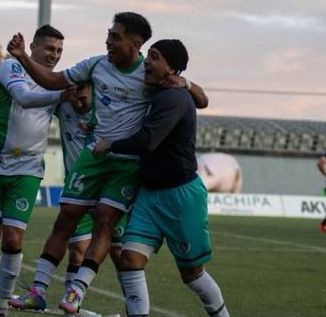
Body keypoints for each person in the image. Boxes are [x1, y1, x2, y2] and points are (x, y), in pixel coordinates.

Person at [8, 12, 209, 314]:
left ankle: (76, 290)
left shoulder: (150, 76)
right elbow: (51, 80)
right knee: (66, 217)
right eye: (109, 34)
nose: (108, 41)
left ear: (135, 44)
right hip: (94, 155)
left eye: (115, 37)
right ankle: (38, 290)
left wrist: (187, 82)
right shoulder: (96, 65)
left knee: (104, 220)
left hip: (127, 163)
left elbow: (202, 100)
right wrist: (23, 57)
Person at [93, 39, 229, 317]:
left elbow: (149, 140)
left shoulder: (174, 98)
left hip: (181, 196)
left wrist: (111, 144)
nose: (147, 62)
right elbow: (203, 99)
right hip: (149, 194)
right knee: (129, 260)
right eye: (148, 56)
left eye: (154, 57)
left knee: (192, 274)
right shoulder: (156, 91)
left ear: (171, 69)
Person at [0, 25, 73, 317]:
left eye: (59, 52)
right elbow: (25, 97)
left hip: (28, 168)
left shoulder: (56, 83)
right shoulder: (11, 66)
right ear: (33, 47)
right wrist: (61, 95)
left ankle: (2, 307)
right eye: (50, 49)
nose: (55, 56)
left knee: (14, 239)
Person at [55, 85, 124, 287]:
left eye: (83, 98)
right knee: (77, 251)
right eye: (74, 98)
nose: (78, 103)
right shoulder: (63, 106)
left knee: (120, 253)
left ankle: (134, 305)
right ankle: (70, 304)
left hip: (108, 190)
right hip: (78, 190)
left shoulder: (107, 111)